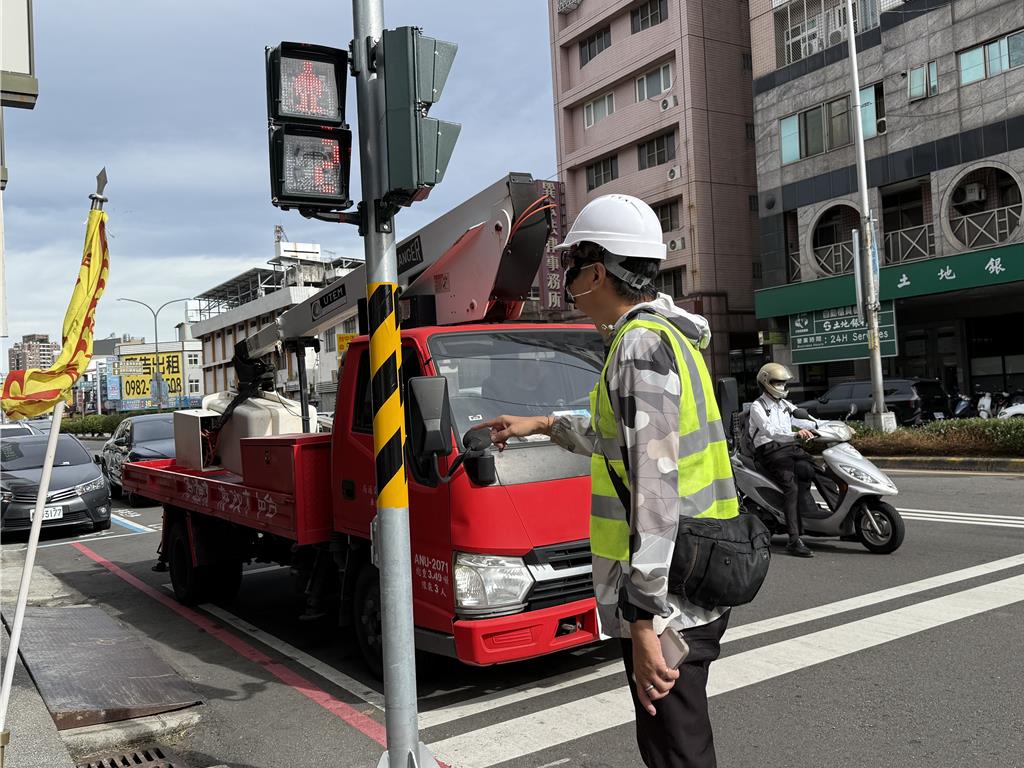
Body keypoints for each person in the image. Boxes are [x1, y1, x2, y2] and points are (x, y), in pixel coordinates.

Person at [483, 193, 738, 768]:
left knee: (676, 749)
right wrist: (545, 424)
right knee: (675, 741)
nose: (569, 280)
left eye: (572, 267)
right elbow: (620, 439)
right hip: (697, 571)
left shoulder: (639, 346)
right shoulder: (668, 336)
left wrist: (644, 619)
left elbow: (654, 489)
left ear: (597, 272)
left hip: (669, 593)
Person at [748, 362, 819, 558]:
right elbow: (770, 431)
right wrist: (795, 435)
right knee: (791, 487)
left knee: (817, 470)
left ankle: (843, 520)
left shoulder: (785, 405)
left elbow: (805, 419)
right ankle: (794, 539)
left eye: (783, 383)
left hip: (790, 447)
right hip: (770, 450)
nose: (781, 386)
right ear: (766, 382)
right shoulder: (758, 406)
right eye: (777, 382)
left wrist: (831, 426)